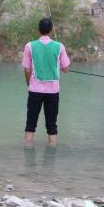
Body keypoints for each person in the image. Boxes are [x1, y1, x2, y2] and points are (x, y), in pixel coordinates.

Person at [21, 17, 70, 146]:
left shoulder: (29, 46)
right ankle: (51, 159)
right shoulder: (59, 46)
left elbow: (27, 69)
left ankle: (28, 155)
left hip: (34, 90)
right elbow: (65, 69)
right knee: (52, 125)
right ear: (51, 30)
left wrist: (29, 83)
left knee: (30, 124)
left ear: (38, 30)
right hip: (53, 92)